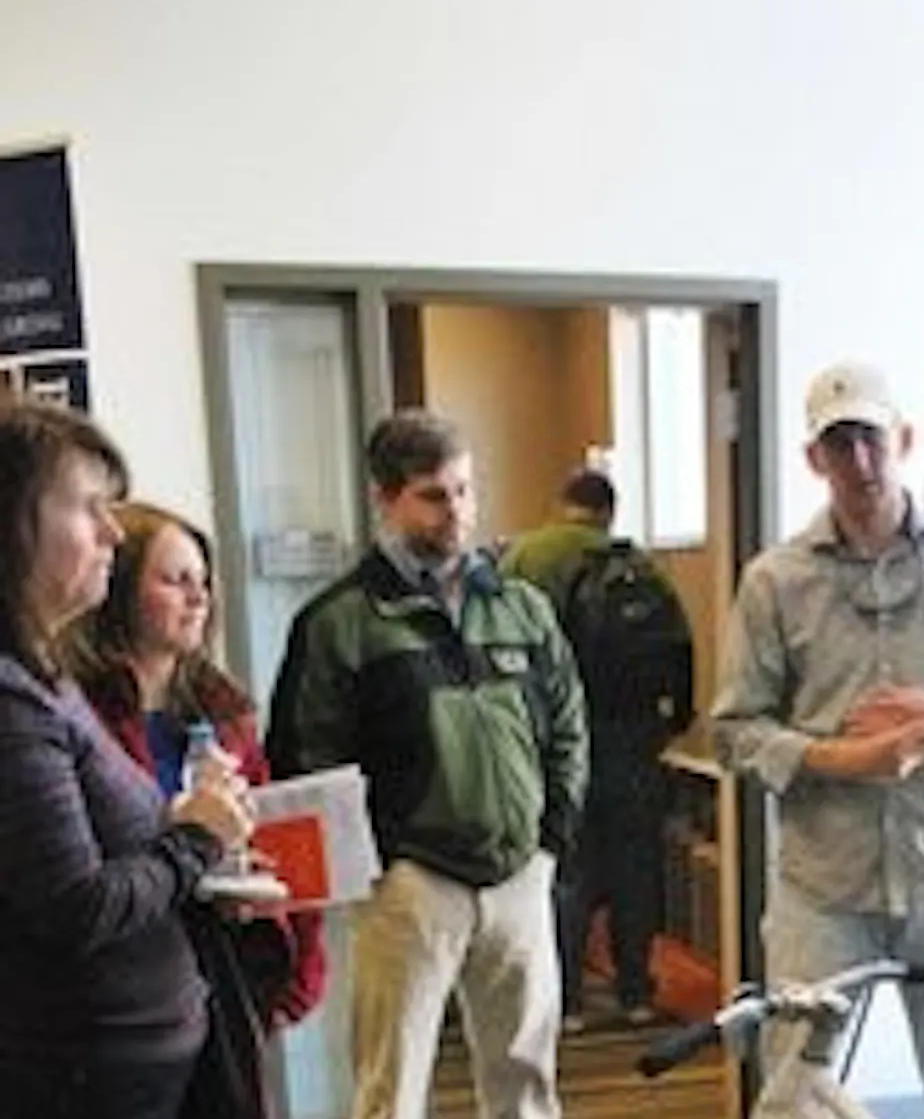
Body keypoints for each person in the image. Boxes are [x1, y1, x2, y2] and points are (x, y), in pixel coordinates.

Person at [712, 362, 924, 1119]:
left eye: (872, 439)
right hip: (821, 889)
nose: (859, 463)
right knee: (792, 1098)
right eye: (839, 444)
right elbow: (733, 731)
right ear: (813, 458)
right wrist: (842, 758)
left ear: (905, 438)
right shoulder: (773, 581)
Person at [265, 409, 589, 1119]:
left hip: (519, 878)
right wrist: (375, 866)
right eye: (435, 495)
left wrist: (551, 841)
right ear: (385, 498)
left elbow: (567, 725)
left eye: (467, 491)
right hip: (411, 886)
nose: (459, 512)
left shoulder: (523, 608)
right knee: (392, 1089)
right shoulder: (338, 620)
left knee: (527, 1086)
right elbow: (303, 756)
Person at [0, 401, 254, 1119]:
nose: (113, 530)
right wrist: (196, 837)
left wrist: (181, 827)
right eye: (89, 508)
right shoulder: (12, 698)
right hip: (84, 1073)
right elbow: (74, 906)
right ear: (16, 520)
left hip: (136, 1058)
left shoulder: (42, 675)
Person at [67, 500, 328, 1116]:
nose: (198, 597)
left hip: (226, 973)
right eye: (174, 580)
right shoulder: (78, 713)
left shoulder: (222, 709)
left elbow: (270, 833)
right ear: (120, 587)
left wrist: (299, 962)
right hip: (121, 992)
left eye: (203, 582)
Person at [503, 468, 694, 1032]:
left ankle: (566, 1001)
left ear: (562, 504)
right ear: (610, 510)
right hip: (633, 739)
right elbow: (680, 650)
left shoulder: (526, 559)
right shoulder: (639, 564)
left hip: (558, 744)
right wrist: (670, 726)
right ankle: (635, 991)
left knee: (568, 868)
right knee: (636, 865)